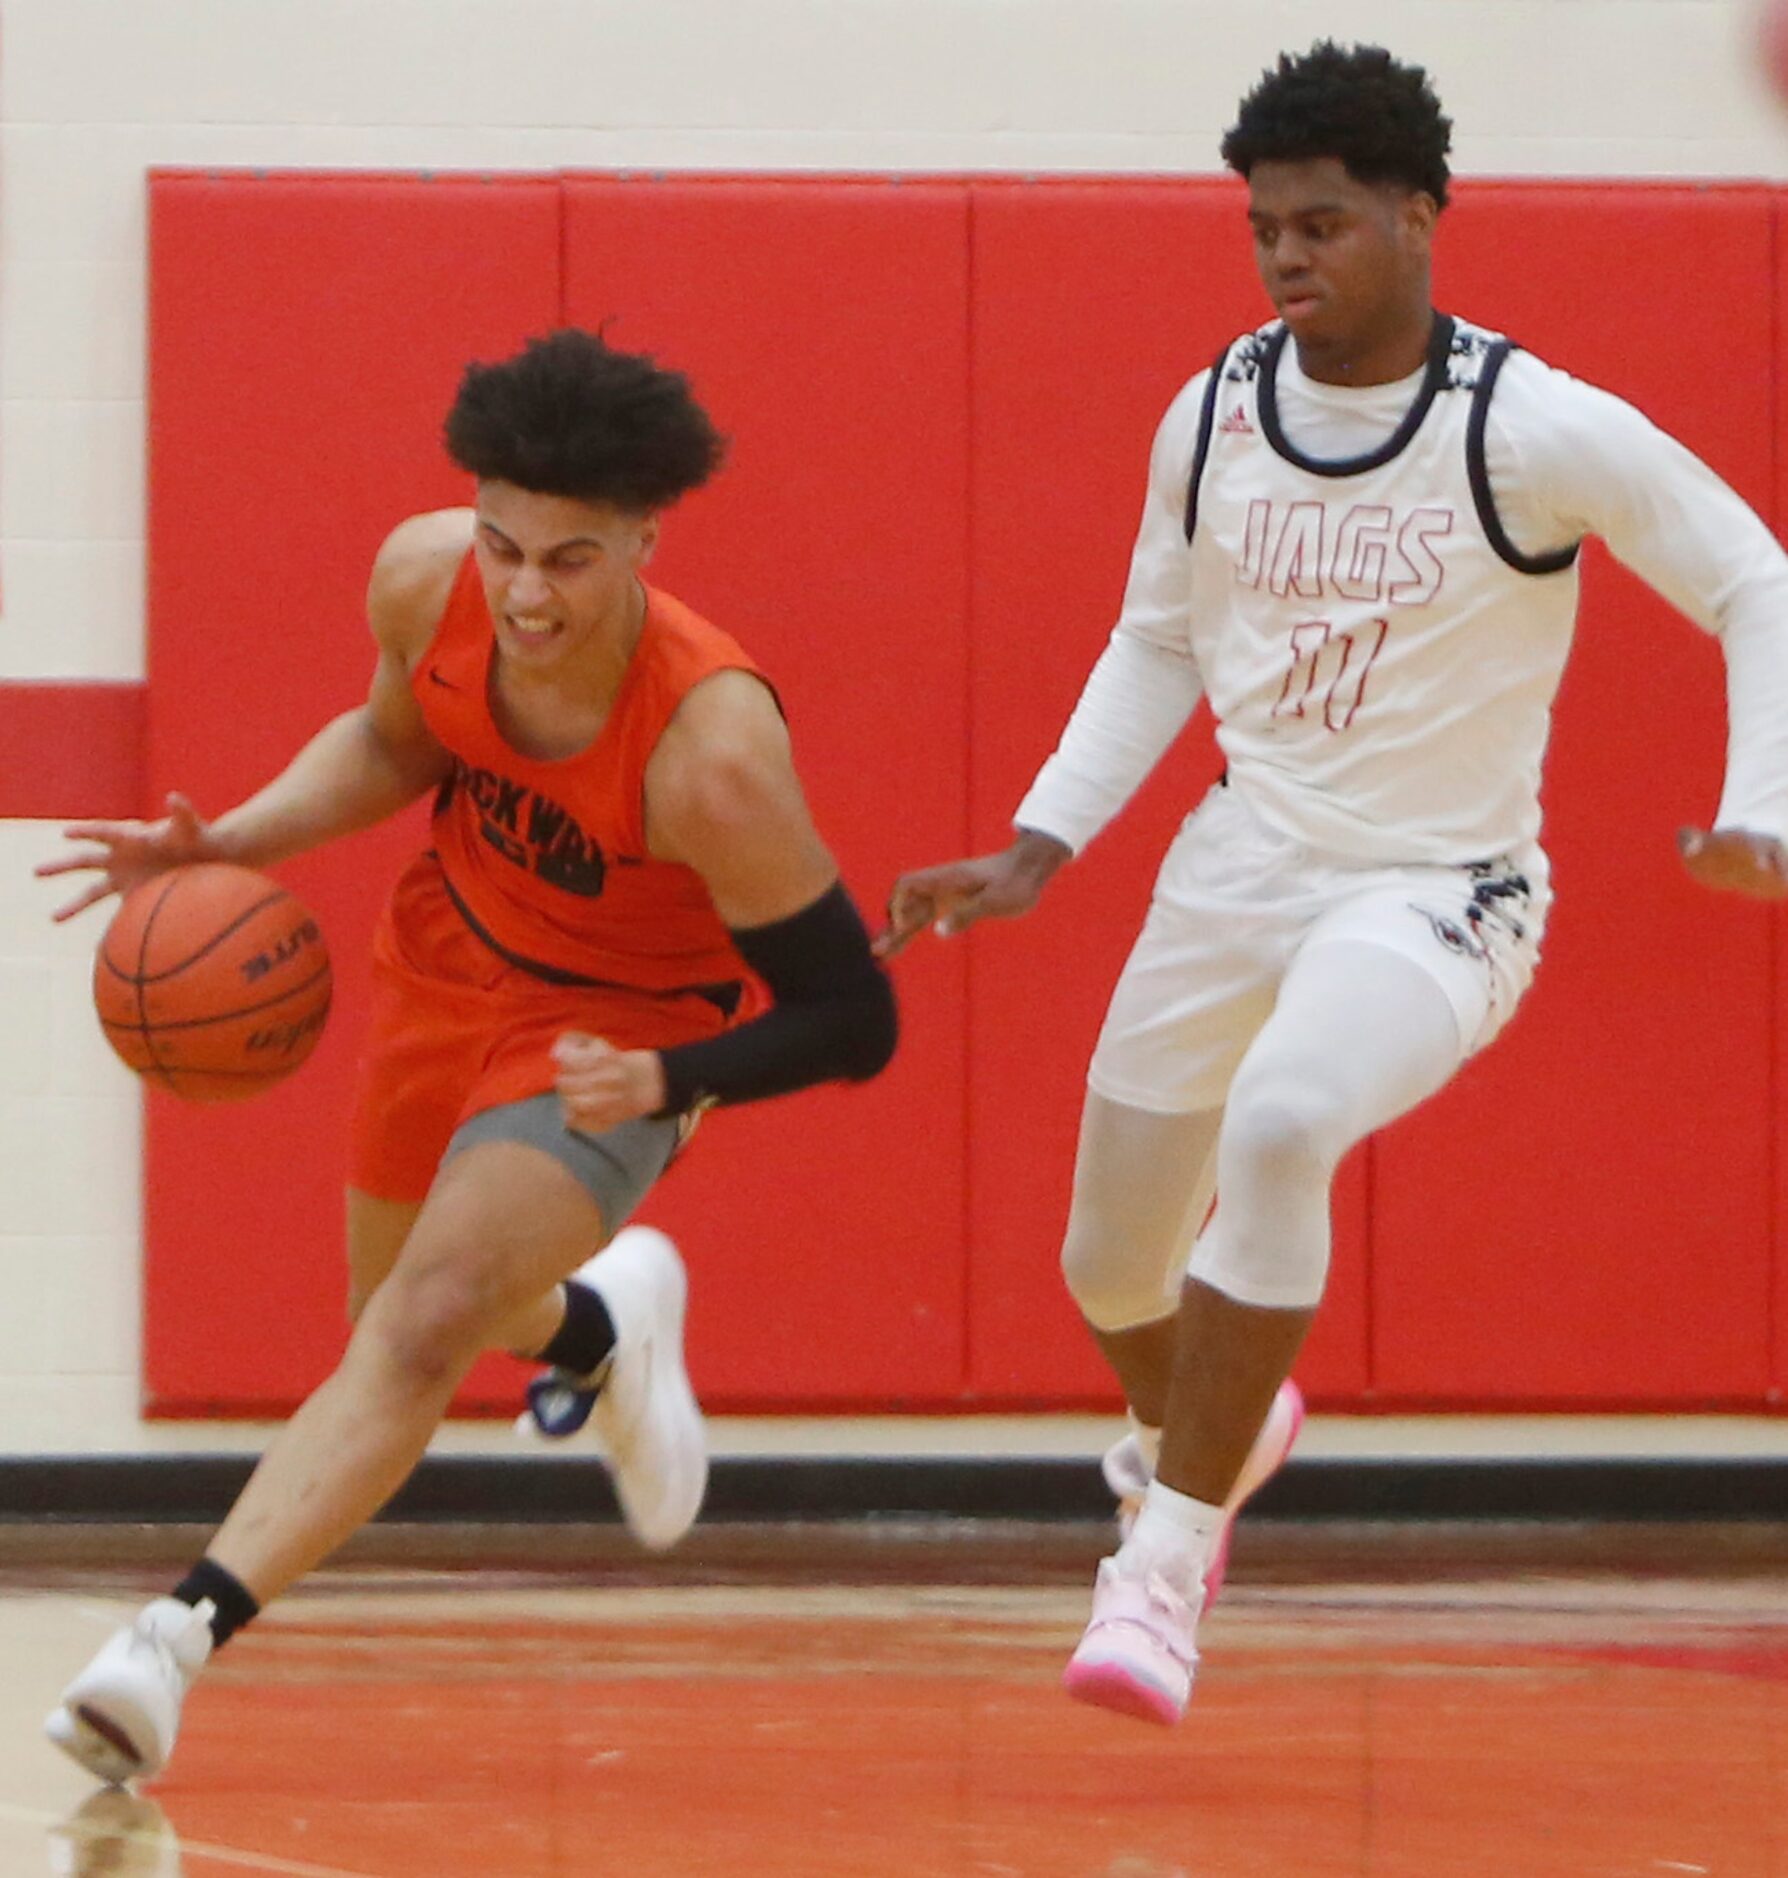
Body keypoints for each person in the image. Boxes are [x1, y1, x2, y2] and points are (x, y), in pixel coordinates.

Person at [880, 40, 1788, 1727]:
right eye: (1264, 231)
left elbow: (1755, 576)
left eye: (1322, 224)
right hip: (1237, 862)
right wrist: (1036, 843)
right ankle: (1226, 1426)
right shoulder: (1216, 406)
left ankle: (1158, 1566)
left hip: (1441, 889)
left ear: (1421, 214)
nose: (1289, 259)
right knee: (1105, 1266)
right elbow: (1155, 639)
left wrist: (1765, 808)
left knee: (1286, 1120)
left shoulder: (1530, 422)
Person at [39, 328, 898, 1783]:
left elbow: (854, 1016)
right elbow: (395, 747)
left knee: (425, 1321)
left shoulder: (715, 752)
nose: (522, 591)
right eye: (504, 545)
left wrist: (671, 1085)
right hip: (443, 962)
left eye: (567, 560)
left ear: (642, 536)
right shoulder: (423, 580)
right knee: (391, 1313)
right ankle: (599, 1330)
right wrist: (230, 837)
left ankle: (167, 1642)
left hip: (616, 1031)